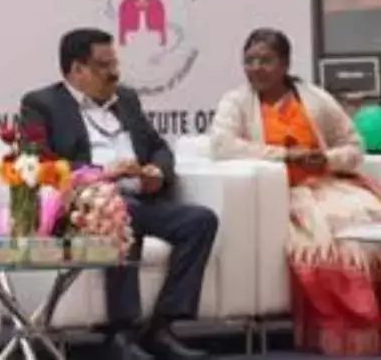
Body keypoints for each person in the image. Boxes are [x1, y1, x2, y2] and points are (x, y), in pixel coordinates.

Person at [20, 28, 217, 360]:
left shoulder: (126, 99)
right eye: (103, 66)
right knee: (119, 213)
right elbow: (40, 162)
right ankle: (120, 334)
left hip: (140, 198)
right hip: (85, 204)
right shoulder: (41, 104)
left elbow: (158, 147)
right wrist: (102, 172)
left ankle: (162, 326)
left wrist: (157, 173)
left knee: (200, 221)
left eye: (115, 64)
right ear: (76, 70)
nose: (114, 73)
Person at [210, 27, 381, 356]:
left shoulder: (315, 99)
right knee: (338, 242)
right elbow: (222, 145)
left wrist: (326, 159)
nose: (256, 68)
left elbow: (354, 145)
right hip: (284, 194)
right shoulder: (236, 102)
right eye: (250, 60)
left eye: (266, 60)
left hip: (329, 183)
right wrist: (285, 156)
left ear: (285, 64)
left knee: (368, 224)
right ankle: (348, 336)